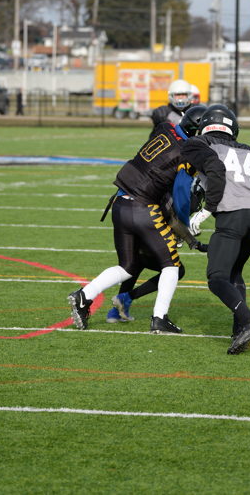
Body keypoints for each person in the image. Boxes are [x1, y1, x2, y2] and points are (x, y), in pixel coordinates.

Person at [68, 104, 208, 334]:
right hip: (143, 207)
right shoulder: (187, 152)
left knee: (127, 266)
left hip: (120, 202)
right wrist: (184, 226)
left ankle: (84, 296)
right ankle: (160, 319)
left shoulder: (165, 128)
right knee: (171, 266)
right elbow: (182, 193)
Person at [181, 103, 250, 355]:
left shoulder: (198, 143)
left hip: (232, 217)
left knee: (217, 278)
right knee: (234, 274)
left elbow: (215, 168)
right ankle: (239, 330)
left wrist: (207, 209)